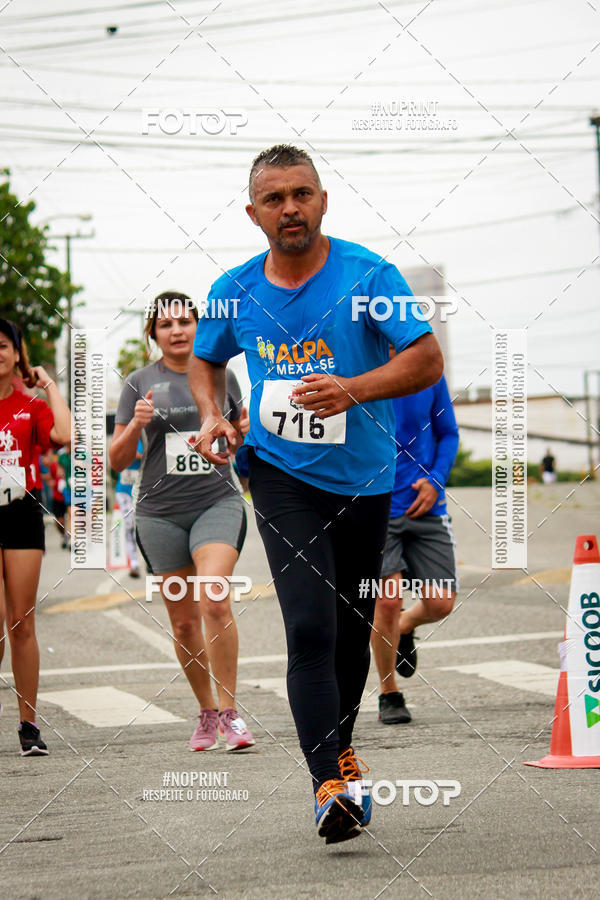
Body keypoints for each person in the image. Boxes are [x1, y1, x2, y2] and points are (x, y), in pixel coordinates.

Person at [188, 144, 443, 844]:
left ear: (323, 200)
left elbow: (426, 358)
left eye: (302, 194)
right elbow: (206, 361)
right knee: (309, 625)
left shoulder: (369, 275)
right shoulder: (234, 289)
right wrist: (212, 412)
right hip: (278, 475)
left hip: (365, 480)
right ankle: (327, 781)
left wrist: (352, 389)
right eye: (274, 198)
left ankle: (341, 747)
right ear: (253, 213)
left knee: (352, 629)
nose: (290, 208)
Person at [109, 291, 254, 752]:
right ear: (153, 333)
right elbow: (116, 460)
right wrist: (135, 425)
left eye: (184, 322)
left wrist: (240, 435)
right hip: (159, 515)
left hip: (217, 502)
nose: (177, 331)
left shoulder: (221, 375)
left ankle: (231, 715)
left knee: (214, 599)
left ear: (197, 326)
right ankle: (206, 712)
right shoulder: (138, 381)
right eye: (166, 324)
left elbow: (237, 444)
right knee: (185, 623)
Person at [370, 369, 459, 725]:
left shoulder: (429, 373)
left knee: (441, 603)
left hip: (426, 505)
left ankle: (405, 626)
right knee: (387, 601)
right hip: (376, 506)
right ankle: (389, 692)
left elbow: (448, 433)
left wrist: (436, 480)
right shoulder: (362, 367)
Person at [0, 318, 71, 754]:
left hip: (21, 515)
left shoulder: (30, 405)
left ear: (16, 354)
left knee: (22, 624)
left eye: (4, 345)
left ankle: (29, 726)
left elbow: (63, 435)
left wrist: (48, 385)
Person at [114, 439, 143, 578]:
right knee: (129, 525)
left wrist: (133, 454)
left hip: (141, 490)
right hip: (123, 490)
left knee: (143, 526)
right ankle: (134, 562)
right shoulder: (122, 435)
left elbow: (147, 456)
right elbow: (115, 458)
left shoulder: (144, 437)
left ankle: (150, 562)